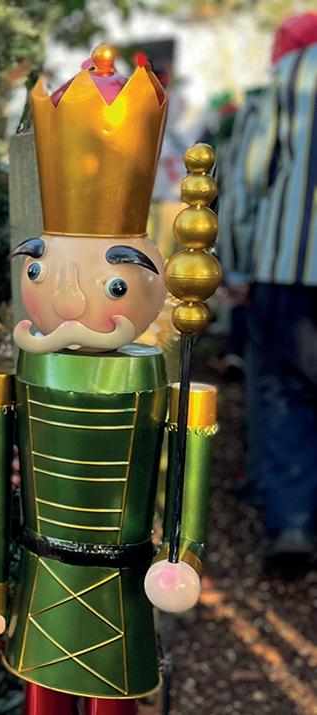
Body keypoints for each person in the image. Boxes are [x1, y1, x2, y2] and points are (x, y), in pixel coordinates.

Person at [230, 12, 317, 567]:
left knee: (286, 393)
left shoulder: (290, 75)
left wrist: (238, 263)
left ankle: (293, 525)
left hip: (288, 267)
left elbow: (252, 177)